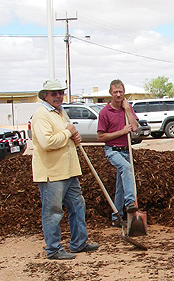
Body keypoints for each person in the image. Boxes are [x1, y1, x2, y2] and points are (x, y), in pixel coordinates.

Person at [31, 79, 98, 260]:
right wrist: (68, 132)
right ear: (44, 95)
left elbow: (67, 132)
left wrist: (73, 136)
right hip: (52, 173)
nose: (58, 96)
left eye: (60, 92)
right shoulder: (41, 115)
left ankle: (78, 243)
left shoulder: (61, 112)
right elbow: (47, 142)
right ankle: (53, 249)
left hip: (69, 171)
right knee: (53, 212)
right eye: (54, 93)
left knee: (78, 206)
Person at [97, 79, 140, 226]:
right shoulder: (104, 112)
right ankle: (129, 203)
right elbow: (101, 136)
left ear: (124, 92)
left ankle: (116, 218)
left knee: (121, 185)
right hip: (112, 150)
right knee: (126, 168)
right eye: (115, 92)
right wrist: (121, 131)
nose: (118, 94)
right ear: (110, 93)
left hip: (126, 150)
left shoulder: (127, 108)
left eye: (120, 91)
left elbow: (134, 128)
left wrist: (127, 109)